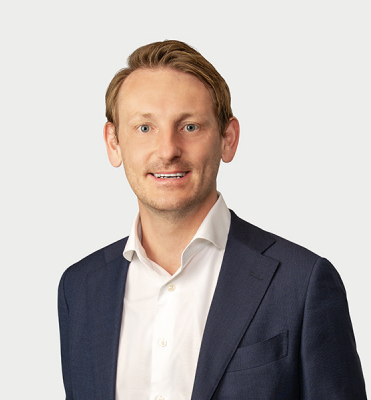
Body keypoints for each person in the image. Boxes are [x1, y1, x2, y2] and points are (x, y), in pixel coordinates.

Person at [58, 40, 367, 400]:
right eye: (144, 128)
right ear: (113, 143)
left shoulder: (302, 283)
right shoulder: (79, 289)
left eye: (190, 127)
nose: (168, 150)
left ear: (227, 139)